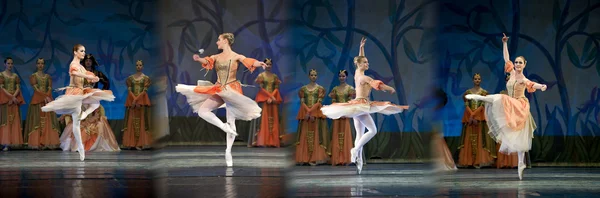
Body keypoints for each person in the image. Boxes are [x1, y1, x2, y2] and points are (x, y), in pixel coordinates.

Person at [175, 33, 266, 167]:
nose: (217, 42)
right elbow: (207, 61)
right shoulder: (216, 57)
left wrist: (260, 63)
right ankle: (224, 127)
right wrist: (199, 59)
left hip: (232, 90)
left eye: (219, 40)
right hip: (219, 89)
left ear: (225, 41)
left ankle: (228, 151)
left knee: (231, 119)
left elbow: (249, 61)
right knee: (203, 111)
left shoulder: (236, 56)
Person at [465, 33, 547, 180]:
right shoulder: (511, 72)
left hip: (520, 105)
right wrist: (504, 43)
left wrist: (541, 86)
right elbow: (506, 57)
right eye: (516, 62)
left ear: (525, 65)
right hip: (511, 104)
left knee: (502, 101)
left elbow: (533, 84)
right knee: (514, 130)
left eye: (520, 63)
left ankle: (521, 164)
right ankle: (521, 164)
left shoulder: (523, 78)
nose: (517, 64)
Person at [321, 37, 409, 173]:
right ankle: (355, 150)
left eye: (368, 62)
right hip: (361, 106)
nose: (368, 63)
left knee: (359, 134)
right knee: (373, 130)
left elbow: (360, 59)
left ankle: (358, 162)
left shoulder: (357, 73)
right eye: (366, 62)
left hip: (358, 106)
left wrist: (361, 47)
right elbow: (379, 85)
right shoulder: (364, 78)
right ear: (360, 65)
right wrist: (390, 89)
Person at [41, 44, 115, 161]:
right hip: (74, 93)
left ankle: (84, 117)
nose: (83, 53)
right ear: (75, 52)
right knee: (76, 122)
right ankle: (81, 147)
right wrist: (86, 75)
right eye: (81, 51)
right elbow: (75, 74)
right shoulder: (73, 64)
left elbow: (88, 76)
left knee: (96, 102)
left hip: (81, 92)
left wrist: (94, 78)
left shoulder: (81, 66)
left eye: (84, 51)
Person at [24, 58, 61, 149]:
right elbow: (35, 89)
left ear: (44, 65)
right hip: (37, 100)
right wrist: (44, 97)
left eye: (42, 63)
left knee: (48, 120)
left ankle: (47, 141)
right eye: (39, 63)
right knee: (37, 120)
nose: (40, 65)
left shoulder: (48, 77)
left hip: (47, 101)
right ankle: (37, 142)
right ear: (36, 65)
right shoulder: (33, 76)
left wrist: (47, 97)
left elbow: (49, 88)